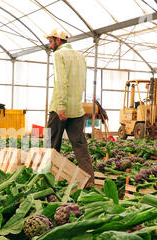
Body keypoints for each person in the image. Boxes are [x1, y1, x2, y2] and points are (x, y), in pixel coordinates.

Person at [45, 28, 95, 188]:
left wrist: (61, 107)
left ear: (58, 40)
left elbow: (61, 81)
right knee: (80, 146)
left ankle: (48, 180)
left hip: (61, 108)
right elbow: (81, 82)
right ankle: (89, 180)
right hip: (77, 109)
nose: (49, 43)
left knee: (51, 144)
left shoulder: (59, 55)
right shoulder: (80, 56)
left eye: (51, 40)